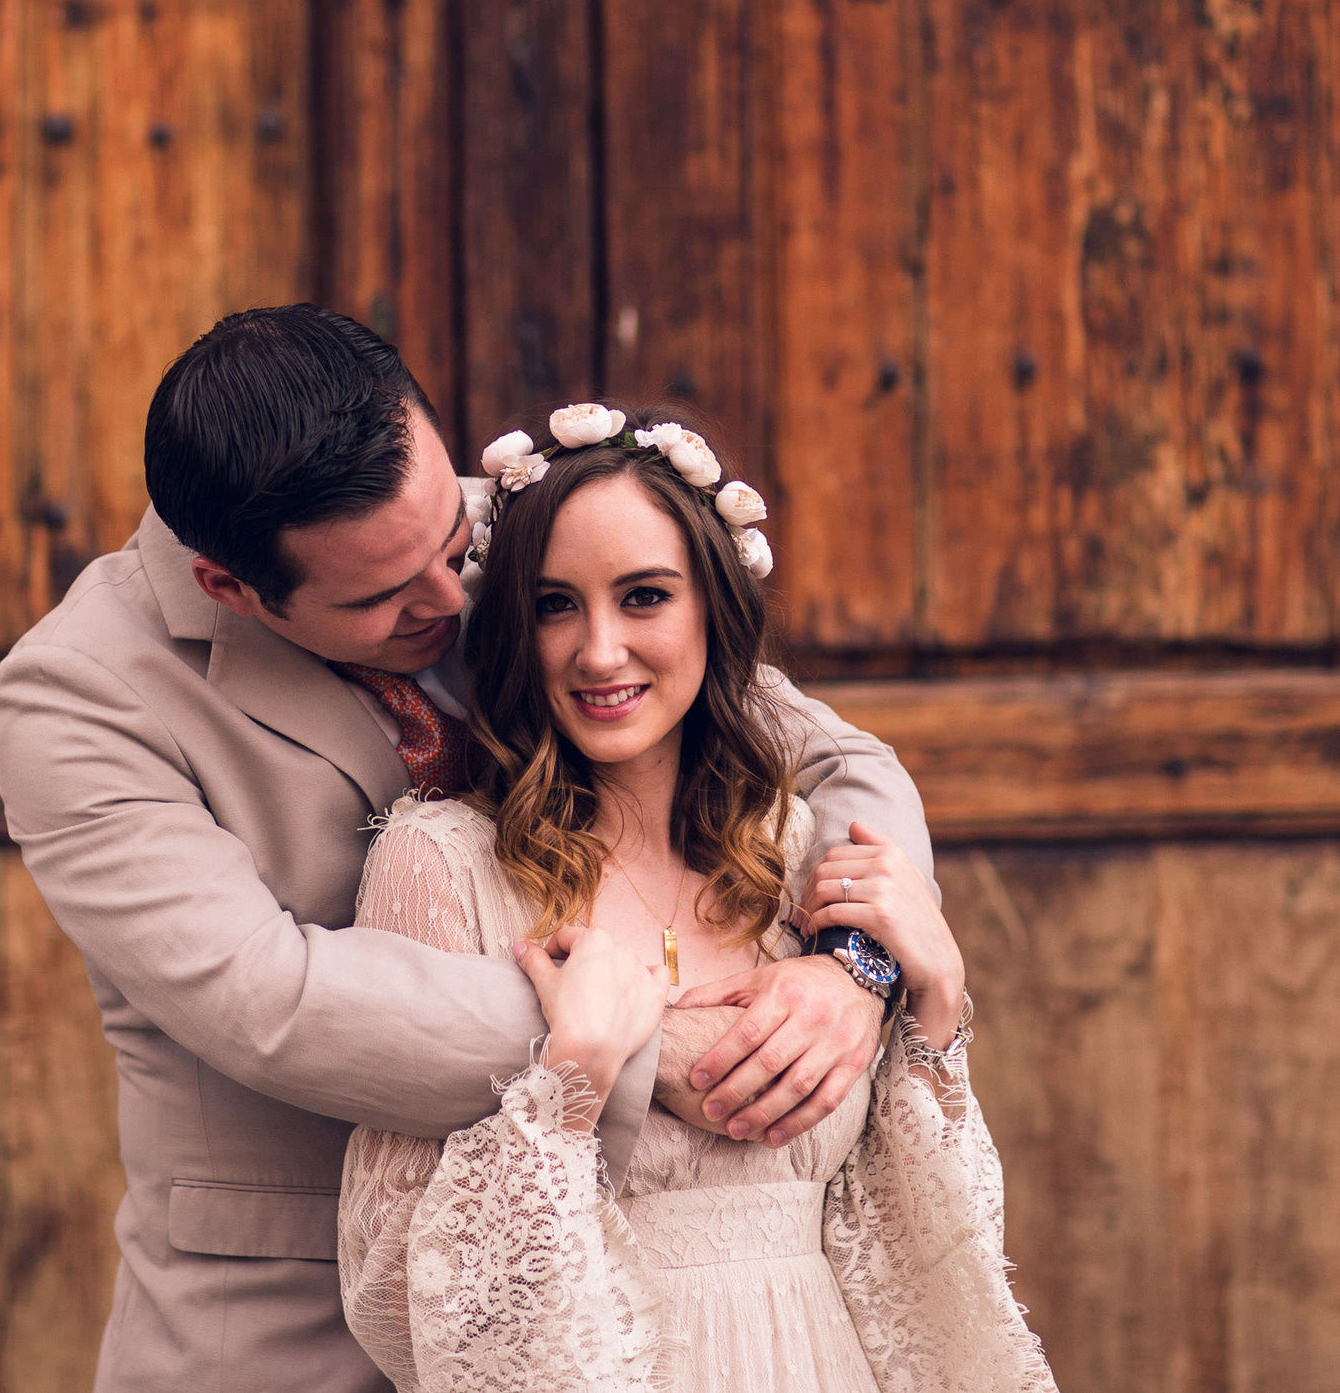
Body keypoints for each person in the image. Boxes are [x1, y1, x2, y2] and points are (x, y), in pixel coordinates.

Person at [0, 307, 935, 1392]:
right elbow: (262, 990)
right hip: (285, 1324)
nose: (453, 599)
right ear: (231, 588)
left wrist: (855, 967)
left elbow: (832, 759)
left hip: (606, 1309)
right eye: (382, 597)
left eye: (450, 544)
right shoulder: (75, 695)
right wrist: (622, 1037)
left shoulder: (520, 533)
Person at [337, 405, 1058, 1393]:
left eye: (643, 596)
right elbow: (389, 1290)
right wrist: (574, 1078)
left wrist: (930, 1000)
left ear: (713, 610)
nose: (597, 651)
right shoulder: (440, 862)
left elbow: (921, 1248)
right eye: (554, 605)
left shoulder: (797, 856)